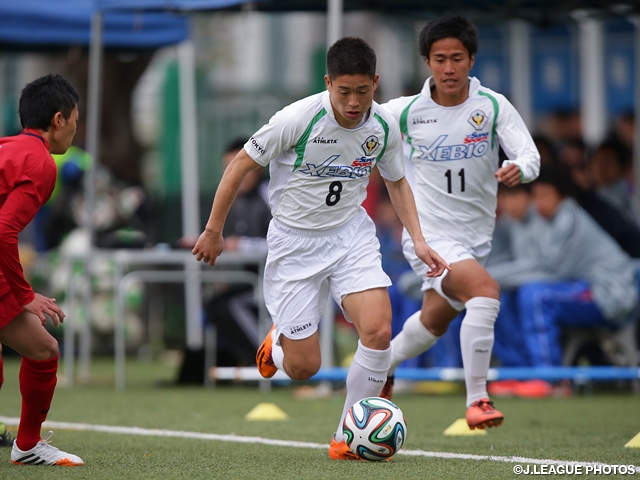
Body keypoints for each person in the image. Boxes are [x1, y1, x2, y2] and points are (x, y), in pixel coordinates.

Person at [193, 37, 449, 460]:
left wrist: (419, 240)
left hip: (350, 235)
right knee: (303, 368)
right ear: (328, 83)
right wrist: (213, 230)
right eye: (344, 91)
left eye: (363, 92)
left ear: (376, 84)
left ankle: (347, 437)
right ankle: (276, 346)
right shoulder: (296, 119)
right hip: (295, 242)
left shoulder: (383, 126)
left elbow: (397, 181)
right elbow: (239, 164)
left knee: (379, 331)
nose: (353, 102)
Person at [380, 15, 540, 429]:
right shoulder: (404, 112)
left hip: (475, 239)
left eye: (456, 58)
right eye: (439, 59)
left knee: (434, 321)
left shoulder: (491, 106)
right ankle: (478, 400)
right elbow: (358, 122)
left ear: (471, 60)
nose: (448, 68)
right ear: (427, 63)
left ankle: (383, 366)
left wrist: (519, 169)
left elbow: (530, 156)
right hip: (428, 236)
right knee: (484, 291)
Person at [0, 74, 84, 466]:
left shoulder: (7, 148)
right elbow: (4, 230)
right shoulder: (41, 162)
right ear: (57, 120)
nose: (75, 131)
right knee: (45, 349)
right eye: (75, 121)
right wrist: (23, 294)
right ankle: (28, 445)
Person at [488, 164, 638, 368]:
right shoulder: (545, 220)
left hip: (611, 293)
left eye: (546, 195)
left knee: (536, 296)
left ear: (563, 194)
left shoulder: (570, 219)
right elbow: (530, 266)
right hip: (581, 286)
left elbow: (551, 270)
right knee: (504, 297)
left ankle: (549, 377)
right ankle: (519, 369)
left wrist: (487, 277)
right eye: (536, 196)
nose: (539, 202)